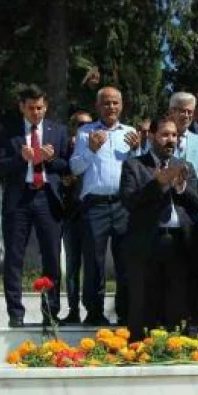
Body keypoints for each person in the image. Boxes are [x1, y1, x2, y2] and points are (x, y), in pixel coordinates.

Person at [0, 85, 69, 327]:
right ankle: (16, 313)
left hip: (47, 197)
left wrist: (51, 159)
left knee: (52, 257)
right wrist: (20, 159)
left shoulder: (58, 131)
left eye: (41, 108)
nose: (37, 112)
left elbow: (68, 165)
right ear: (22, 107)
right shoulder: (9, 133)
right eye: (32, 108)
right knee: (14, 257)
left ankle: (50, 311)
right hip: (19, 199)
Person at [119, 116, 198, 339]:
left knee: (178, 303)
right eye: (165, 134)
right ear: (153, 136)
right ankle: (141, 354)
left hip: (179, 242)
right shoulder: (134, 166)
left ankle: (180, 350)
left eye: (174, 135)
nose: (170, 140)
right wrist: (158, 183)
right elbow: (130, 202)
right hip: (147, 242)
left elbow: (197, 204)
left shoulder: (185, 167)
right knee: (145, 304)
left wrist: (181, 187)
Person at [71, 87, 142, 326]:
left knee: (126, 261)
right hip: (95, 206)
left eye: (115, 103)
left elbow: (140, 169)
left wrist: (136, 150)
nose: (111, 107)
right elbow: (75, 168)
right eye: (106, 103)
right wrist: (91, 149)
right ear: (97, 106)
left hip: (124, 205)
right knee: (94, 263)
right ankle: (94, 313)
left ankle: (125, 312)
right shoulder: (85, 132)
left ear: (121, 106)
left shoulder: (131, 133)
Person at [169, 91, 198, 324]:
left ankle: (197, 313)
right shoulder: (162, 137)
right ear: (171, 112)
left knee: (194, 267)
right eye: (181, 111)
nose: (186, 115)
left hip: (192, 211)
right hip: (164, 211)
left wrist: (193, 180)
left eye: (190, 111)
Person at [59, 110, 94, 325]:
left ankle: (92, 309)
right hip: (71, 212)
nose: (85, 129)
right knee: (72, 265)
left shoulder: (98, 145)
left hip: (93, 212)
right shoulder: (66, 148)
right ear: (72, 126)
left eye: (88, 125)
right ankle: (73, 310)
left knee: (93, 264)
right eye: (80, 124)